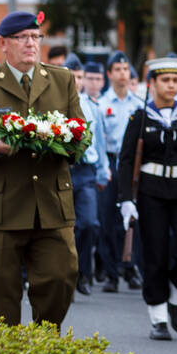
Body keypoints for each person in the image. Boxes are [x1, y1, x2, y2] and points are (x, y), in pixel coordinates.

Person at [0, 11, 84, 327]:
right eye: (22, 37)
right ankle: (8, 352)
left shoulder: (61, 79)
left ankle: (44, 340)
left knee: (61, 276)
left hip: (50, 203)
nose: (31, 44)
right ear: (3, 43)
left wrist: (65, 141)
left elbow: (79, 131)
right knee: (2, 297)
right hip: (0, 205)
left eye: (35, 37)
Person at [118, 57, 177, 340]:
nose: (171, 85)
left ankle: (176, 300)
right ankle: (159, 318)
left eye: (175, 80)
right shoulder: (140, 117)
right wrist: (126, 199)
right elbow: (126, 160)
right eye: (165, 80)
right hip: (150, 192)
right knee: (155, 253)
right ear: (152, 83)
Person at [97, 51, 145, 292]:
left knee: (132, 218)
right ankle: (111, 272)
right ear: (109, 74)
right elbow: (99, 140)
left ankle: (130, 267)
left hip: (132, 166)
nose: (122, 74)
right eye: (117, 69)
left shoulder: (138, 104)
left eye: (125, 69)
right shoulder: (101, 105)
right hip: (110, 162)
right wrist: (102, 168)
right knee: (108, 219)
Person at [63, 54, 108, 296]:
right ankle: (64, 275)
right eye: (71, 76)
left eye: (79, 77)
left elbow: (99, 141)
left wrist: (102, 170)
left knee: (89, 223)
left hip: (85, 171)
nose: (76, 81)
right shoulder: (53, 104)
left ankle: (82, 272)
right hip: (62, 171)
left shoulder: (91, 106)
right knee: (62, 228)